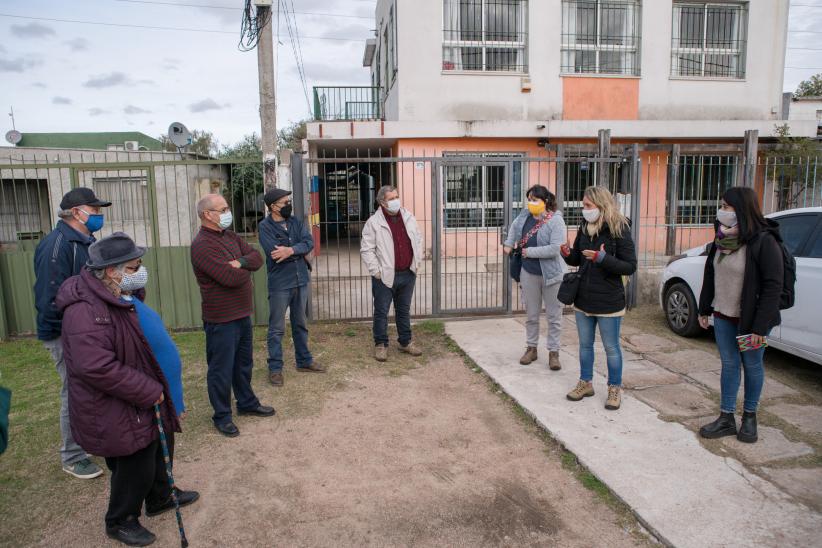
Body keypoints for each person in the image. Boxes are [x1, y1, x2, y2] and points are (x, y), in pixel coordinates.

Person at [56, 232, 199, 547]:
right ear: (111, 270)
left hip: (142, 393)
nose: (141, 271)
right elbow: (94, 366)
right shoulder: (84, 308)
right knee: (135, 459)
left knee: (159, 449)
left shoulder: (117, 292)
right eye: (135, 266)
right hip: (118, 402)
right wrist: (146, 388)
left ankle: (160, 495)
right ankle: (120, 519)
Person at [33, 187, 110, 479]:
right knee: (74, 392)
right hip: (64, 334)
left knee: (90, 389)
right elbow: (49, 298)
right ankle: (72, 455)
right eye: (95, 210)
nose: (100, 215)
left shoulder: (85, 241)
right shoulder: (57, 246)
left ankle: (86, 441)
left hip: (84, 331)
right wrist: (68, 335)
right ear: (77, 213)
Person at [697, 187, 785, 444]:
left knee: (752, 364)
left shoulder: (763, 242)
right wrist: (704, 309)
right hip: (724, 316)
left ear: (742, 209)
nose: (722, 211)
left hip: (751, 322)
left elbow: (772, 287)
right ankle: (726, 417)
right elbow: (711, 273)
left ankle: (749, 417)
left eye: (727, 207)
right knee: (729, 364)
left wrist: (759, 327)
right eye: (721, 206)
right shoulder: (721, 239)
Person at [190, 194, 274, 438]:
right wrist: (242, 269)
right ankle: (222, 415)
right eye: (223, 208)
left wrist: (238, 262)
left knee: (243, 364)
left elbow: (257, 258)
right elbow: (229, 277)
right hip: (221, 318)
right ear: (208, 214)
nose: (228, 212)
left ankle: (246, 402)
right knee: (221, 369)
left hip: (241, 313)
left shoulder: (230, 236)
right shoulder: (202, 245)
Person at [561, 186, 637, 411]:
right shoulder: (584, 227)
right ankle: (585, 383)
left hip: (608, 300)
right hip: (583, 297)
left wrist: (603, 258)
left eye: (588, 206)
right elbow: (578, 259)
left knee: (611, 347)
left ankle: (614, 388)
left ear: (601, 205)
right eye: (583, 205)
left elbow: (630, 266)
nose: (584, 210)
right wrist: (567, 254)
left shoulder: (619, 228)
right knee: (585, 345)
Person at [259, 188, 325, 387]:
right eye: (284, 202)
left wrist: (290, 250)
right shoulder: (265, 227)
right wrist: (296, 250)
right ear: (273, 207)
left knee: (300, 324)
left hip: (300, 279)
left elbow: (308, 242)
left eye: (288, 201)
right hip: (280, 284)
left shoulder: (296, 222)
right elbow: (274, 254)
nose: (288, 205)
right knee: (277, 328)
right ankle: (275, 368)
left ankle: (304, 361)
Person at [504, 185, 568, 369]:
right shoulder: (525, 216)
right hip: (528, 273)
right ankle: (531, 348)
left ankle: (553, 352)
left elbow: (555, 248)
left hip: (552, 275)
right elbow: (514, 229)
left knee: (554, 316)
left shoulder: (556, 221)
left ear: (546, 201)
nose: (531, 203)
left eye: (535, 200)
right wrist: (509, 244)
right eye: (529, 199)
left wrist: (528, 252)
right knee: (531, 314)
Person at [360, 185, 424, 362]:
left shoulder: (409, 217)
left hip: (407, 273)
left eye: (397, 197)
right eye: (391, 198)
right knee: (381, 311)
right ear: (382, 202)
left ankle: (405, 342)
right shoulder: (373, 222)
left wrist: (417, 261)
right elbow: (367, 249)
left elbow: (418, 239)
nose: (396, 201)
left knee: (403, 310)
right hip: (385, 276)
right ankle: (381, 344)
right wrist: (376, 271)